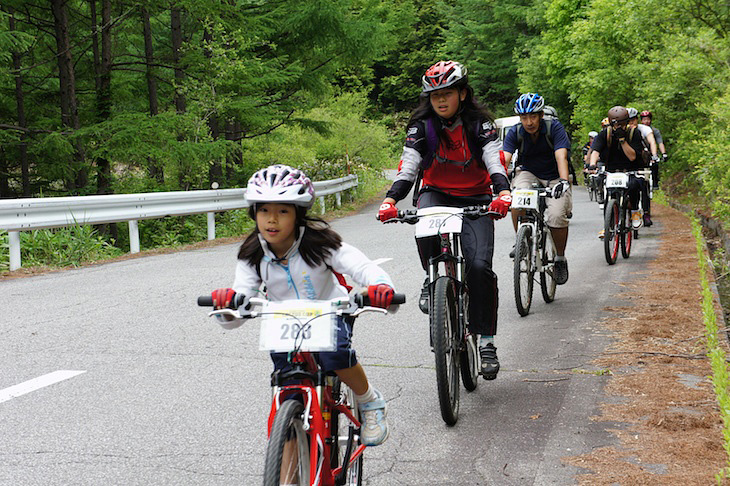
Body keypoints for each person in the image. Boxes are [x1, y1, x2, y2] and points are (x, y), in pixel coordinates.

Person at [211, 164, 396, 446]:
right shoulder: (251, 254)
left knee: (334, 355)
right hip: (283, 321)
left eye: (282, 211)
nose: (271, 220)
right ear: (254, 213)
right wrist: (229, 305)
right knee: (288, 393)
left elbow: (363, 267)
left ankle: (369, 401)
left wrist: (381, 288)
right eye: (264, 210)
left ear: (298, 214)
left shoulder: (320, 243)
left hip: (330, 311)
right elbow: (241, 301)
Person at [377, 60, 511, 380]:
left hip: (477, 198)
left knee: (479, 267)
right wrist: (390, 200)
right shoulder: (421, 126)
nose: (440, 100)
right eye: (434, 94)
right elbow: (408, 168)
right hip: (436, 192)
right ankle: (432, 277)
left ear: (462, 94)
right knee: (423, 225)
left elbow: (494, 160)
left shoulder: (481, 125)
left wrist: (502, 194)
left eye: (447, 93)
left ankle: (487, 340)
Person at [502, 93, 572, 285]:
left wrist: (564, 181)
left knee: (557, 216)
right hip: (529, 173)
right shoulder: (515, 132)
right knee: (517, 199)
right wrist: (498, 180)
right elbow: (505, 158)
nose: (529, 121)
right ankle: (522, 242)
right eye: (524, 117)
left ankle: (559, 258)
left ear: (541, 115)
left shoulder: (554, 128)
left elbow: (561, 156)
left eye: (533, 116)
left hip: (555, 176)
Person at [589, 106, 647, 237]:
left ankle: (635, 212)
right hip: (611, 171)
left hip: (630, 170)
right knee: (607, 192)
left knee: (634, 185)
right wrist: (592, 164)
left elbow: (632, 156)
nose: (618, 127)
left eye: (621, 124)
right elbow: (595, 151)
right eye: (616, 124)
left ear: (627, 122)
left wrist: (622, 141)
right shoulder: (605, 134)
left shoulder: (634, 134)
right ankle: (607, 225)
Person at [627, 107, 655, 226]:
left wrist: (654, 155)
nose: (631, 123)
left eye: (633, 120)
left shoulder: (644, 129)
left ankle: (646, 213)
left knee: (644, 185)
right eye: (629, 120)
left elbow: (652, 141)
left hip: (642, 163)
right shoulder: (622, 131)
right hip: (627, 164)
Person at [640, 110, 667, 188]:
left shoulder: (655, 131)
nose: (646, 121)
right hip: (641, 153)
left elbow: (660, 142)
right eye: (644, 119)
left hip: (652, 153)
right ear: (641, 121)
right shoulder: (638, 130)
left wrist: (664, 153)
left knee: (654, 165)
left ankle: (655, 183)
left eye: (648, 119)